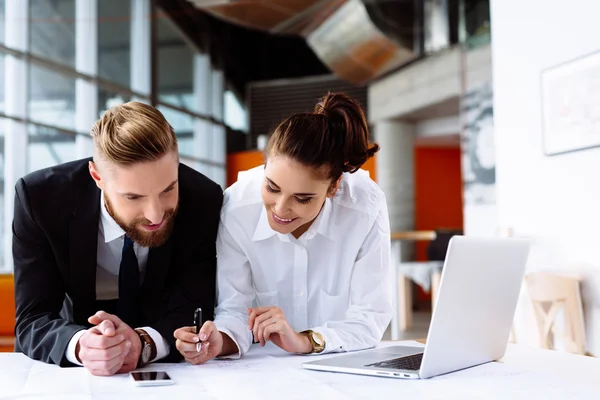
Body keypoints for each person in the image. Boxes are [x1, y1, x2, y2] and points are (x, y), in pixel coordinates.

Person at [174, 92, 392, 364]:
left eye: (302, 199)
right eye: (272, 188)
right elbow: (234, 310)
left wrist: (304, 341)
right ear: (264, 167)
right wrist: (219, 341)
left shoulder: (364, 208)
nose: (279, 209)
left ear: (333, 187)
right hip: (265, 375)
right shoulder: (237, 208)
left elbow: (370, 317)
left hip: (344, 365)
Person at [12, 102, 223, 376]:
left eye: (168, 188)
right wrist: (80, 345)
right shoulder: (40, 200)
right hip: (70, 367)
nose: (156, 214)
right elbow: (32, 318)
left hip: (170, 368)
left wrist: (146, 342)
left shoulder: (203, 199)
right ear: (97, 177)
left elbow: (196, 306)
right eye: (133, 197)